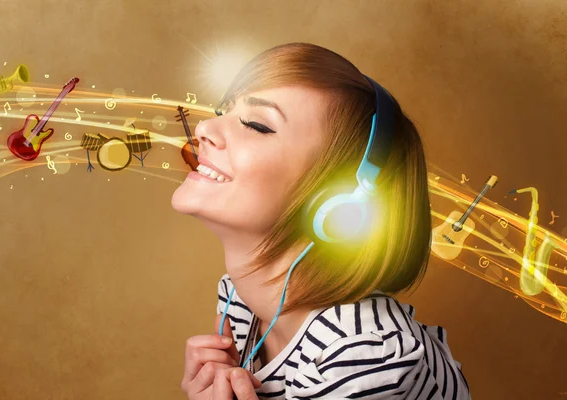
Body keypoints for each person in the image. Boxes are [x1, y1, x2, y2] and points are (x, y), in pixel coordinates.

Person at [174, 42, 470, 399]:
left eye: (256, 125)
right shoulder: (239, 299)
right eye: (224, 109)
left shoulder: (362, 357)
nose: (204, 127)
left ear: (338, 203)